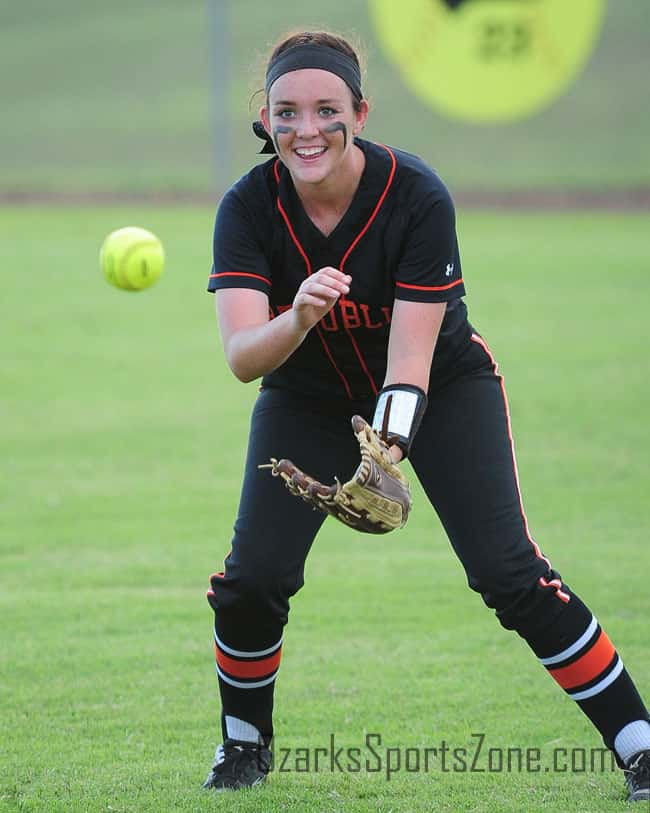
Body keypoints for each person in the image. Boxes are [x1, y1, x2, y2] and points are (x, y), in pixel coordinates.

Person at [202, 30, 650, 801]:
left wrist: (384, 458)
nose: (306, 128)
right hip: (305, 394)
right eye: (286, 112)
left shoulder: (414, 195)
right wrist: (299, 318)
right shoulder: (248, 207)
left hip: (440, 389)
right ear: (267, 121)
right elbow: (246, 356)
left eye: (326, 109)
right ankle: (243, 745)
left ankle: (640, 743)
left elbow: (410, 359)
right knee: (252, 580)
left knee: (509, 573)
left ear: (361, 113)